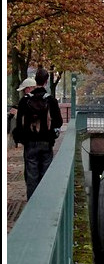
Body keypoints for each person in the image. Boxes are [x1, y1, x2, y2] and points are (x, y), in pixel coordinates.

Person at [14, 67, 63, 200]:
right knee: (45, 175)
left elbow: (19, 123)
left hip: (30, 143)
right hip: (46, 142)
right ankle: (44, 202)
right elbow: (58, 122)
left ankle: (31, 204)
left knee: (31, 176)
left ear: (35, 81)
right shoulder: (51, 100)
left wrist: (22, 139)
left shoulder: (25, 100)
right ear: (46, 81)